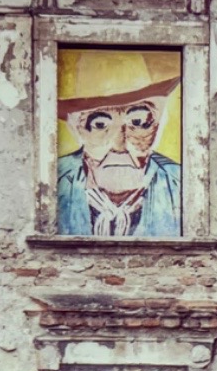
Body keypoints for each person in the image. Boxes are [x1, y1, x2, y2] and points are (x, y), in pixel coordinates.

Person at [56, 50, 183, 238]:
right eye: (100, 125)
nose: (119, 145)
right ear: (76, 129)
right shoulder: (55, 181)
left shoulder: (181, 184)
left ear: (158, 125)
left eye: (138, 122)